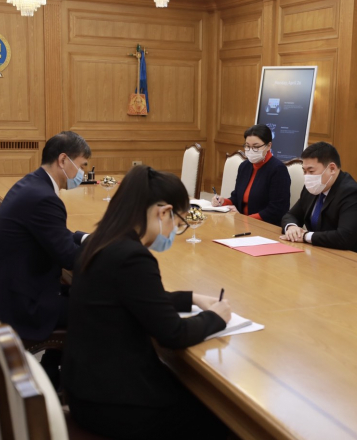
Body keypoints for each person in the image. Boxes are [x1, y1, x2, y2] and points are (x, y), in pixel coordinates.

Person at [63, 165, 232, 440]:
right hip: (117, 405)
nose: (174, 232)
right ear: (163, 212)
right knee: (223, 417)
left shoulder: (101, 241)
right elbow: (173, 334)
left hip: (85, 391)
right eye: (178, 225)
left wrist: (191, 298)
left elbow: (133, 298)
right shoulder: (133, 257)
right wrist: (216, 318)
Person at [0, 131, 92, 387]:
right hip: (13, 302)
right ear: (63, 160)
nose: (82, 173)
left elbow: (56, 235)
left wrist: (85, 238)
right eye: (82, 165)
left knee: (81, 293)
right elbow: (69, 258)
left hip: (5, 286)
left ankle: (52, 369)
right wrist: (109, 254)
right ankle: (71, 379)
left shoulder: (33, 183)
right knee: (97, 306)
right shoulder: (44, 197)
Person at [280, 142, 357, 261]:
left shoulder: (352, 193)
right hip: (325, 255)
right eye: (304, 171)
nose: (307, 177)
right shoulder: (313, 188)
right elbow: (291, 215)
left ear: (332, 168)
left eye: (311, 171)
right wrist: (292, 227)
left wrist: (305, 236)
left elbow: (344, 237)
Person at [212, 124, 291, 226]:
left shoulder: (278, 169)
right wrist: (223, 201)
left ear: (268, 146)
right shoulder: (244, 166)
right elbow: (237, 197)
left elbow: (277, 209)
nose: (250, 150)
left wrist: (245, 219)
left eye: (256, 146)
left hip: (265, 226)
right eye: (247, 146)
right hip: (242, 224)